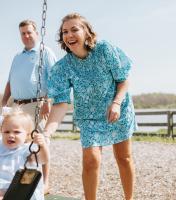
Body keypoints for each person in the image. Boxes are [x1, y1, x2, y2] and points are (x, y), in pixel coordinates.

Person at [44, 13, 137, 200]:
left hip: (117, 109)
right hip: (88, 117)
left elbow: (123, 80)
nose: (69, 34)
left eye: (74, 29)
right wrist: (47, 132)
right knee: (91, 160)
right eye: (64, 31)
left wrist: (117, 103)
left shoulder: (104, 49)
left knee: (123, 158)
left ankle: (129, 198)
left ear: (87, 32)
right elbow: (61, 103)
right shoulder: (63, 67)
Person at [1, 19, 56, 194]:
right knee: (11, 139)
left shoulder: (45, 52)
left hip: (36, 103)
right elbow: (10, 82)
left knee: (39, 141)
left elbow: (53, 78)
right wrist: (3, 103)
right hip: (15, 105)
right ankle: (10, 180)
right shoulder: (17, 57)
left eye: (29, 32)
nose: (26, 36)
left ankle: (45, 183)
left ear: (36, 33)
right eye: (22, 33)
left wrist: (48, 101)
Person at [0, 108, 50, 200]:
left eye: (16, 132)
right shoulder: (1, 147)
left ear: (27, 135)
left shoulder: (28, 150)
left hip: (21, 191)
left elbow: (44, 159)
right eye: (6, 132)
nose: (11, 135)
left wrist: (43, 146)